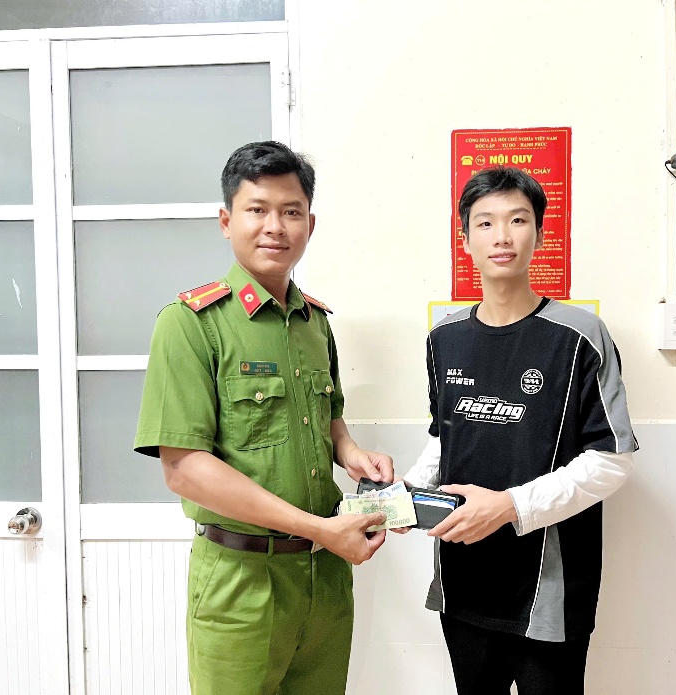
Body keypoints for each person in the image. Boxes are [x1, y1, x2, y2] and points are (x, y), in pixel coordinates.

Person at [134, 140, 393, 695]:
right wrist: (321, 529)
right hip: (240, 582)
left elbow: (329, 418)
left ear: (310, 225)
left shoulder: (314, 323)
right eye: (257, 210)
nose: (275, 226)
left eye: (291, 211)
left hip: (324, 579)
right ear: (226, 221)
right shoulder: (190, 324)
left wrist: (352, 454)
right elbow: (184, 469)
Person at [401, 166, 638, 695]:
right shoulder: (444, 337)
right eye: (485, 223)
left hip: (549, 590)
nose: (501, 236)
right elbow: (444, 438)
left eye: (517, 220)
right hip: (462, 580)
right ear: (465, 240)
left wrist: (509, 506)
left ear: (540, 234)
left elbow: (611, 459)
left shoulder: (580, 335)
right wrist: (405, 497)